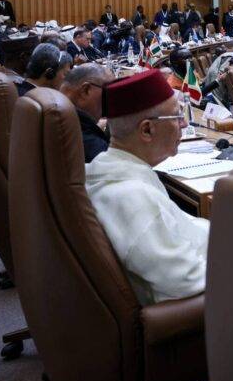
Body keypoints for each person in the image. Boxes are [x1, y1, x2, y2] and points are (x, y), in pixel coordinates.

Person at [84, 69, 209, 304]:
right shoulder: (131, 198)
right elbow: (187, 283)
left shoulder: (112, 169)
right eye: (177, 116)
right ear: (147, 130)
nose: (183, 124)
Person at [60, 63, 111, 162]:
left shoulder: (57, 109)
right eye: (108, 92)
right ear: (86, 90)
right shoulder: (93, 146)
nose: (111, 100)